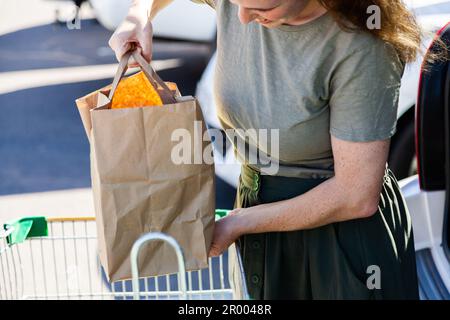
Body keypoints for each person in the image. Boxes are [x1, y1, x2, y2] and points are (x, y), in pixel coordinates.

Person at [109, 0, 422, 300]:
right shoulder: (239, 5)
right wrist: (138, 15)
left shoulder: (363, 47)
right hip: (258, 222)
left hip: (340, 246)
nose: (242, 18)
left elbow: (356, 195)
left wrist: (239, 223)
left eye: (262, 8)